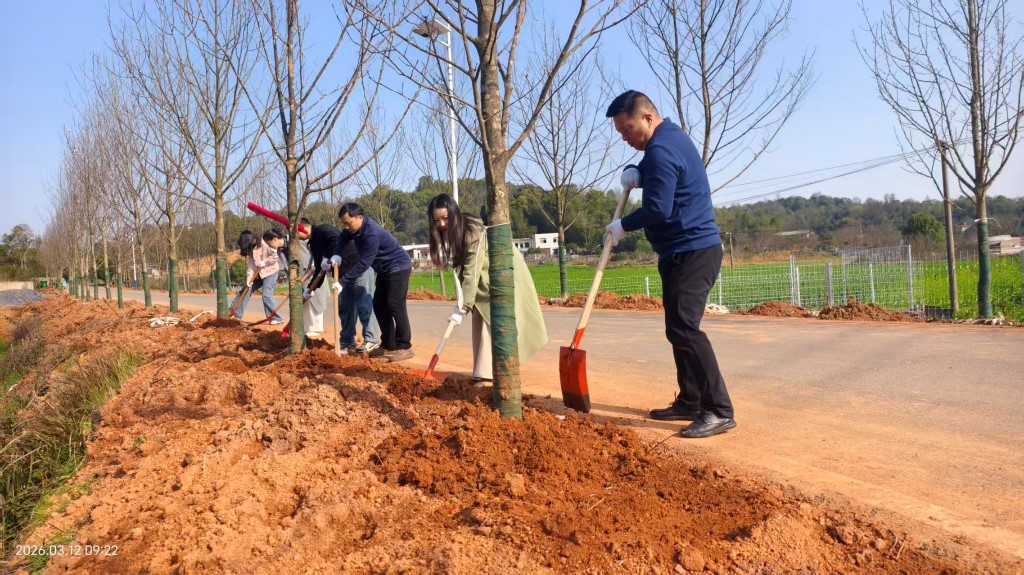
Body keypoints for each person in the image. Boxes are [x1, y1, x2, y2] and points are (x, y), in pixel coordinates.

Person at [604, 90, 736, 439]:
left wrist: (623, 226)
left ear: (647, 117)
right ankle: (691, 400)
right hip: (687, 249)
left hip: (691, 250)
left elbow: (659, 208)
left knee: (685, 330)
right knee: (677, 328)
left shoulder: (661, 149)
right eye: (620, 133)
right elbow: (662, 172)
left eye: (628, 129)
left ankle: (718, 410)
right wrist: (639, 172)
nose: (626, 138)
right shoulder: (669, 137)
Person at [427, 194, 548, 382]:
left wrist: (462, 306)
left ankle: (486, 376)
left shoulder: (471, 231)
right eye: (436, 220)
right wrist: (465, 303)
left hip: (501, 270)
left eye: (445, 218)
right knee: (479, 316)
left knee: (488, 317)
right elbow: (466, 270)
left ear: (454, 214)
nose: (441, 224)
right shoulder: (454, 232)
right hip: (484, 274)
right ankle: (481, 371)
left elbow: (472, 271)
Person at [331, 203, 413, 362]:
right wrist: (336, 254)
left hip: (398, 266)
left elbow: (364, 263)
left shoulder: (371, 233)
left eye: (349, 222)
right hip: (384, 269)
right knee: (379, 305)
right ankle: (388, 345)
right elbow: (342, 237)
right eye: (344, 223)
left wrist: (343, 282)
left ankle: (404, 346)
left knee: (395, 305)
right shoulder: (353, 230)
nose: (346, 227)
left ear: (360, 217)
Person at [299, 218, 380, 354]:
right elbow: (320, 268)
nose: (298, 239)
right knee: (345, 310)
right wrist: (311, 289)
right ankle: (347, 342)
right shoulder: (313, 245)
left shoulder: (323, 229)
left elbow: (336, 240)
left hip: (359, 269)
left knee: (364, 306)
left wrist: (327, 255)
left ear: (302, 228)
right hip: (342, 277)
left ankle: (371, 339)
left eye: (297, 235)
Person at [229, 228, 286, 325]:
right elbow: (251, 265)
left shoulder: (265, 243)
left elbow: (275, 256)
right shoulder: (250, 249)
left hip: (270, 272)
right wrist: (249, 279)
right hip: (258, 274)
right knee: (245, 290)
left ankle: (276, 317)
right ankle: (234, 313)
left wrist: (264, 262)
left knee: (266, 295)